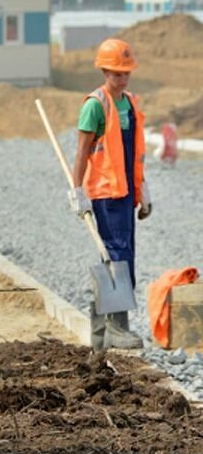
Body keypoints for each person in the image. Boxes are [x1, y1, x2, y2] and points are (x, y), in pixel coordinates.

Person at [69, 37, 151, 350]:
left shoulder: (129, 103)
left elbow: (132, 154)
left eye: (126, 72)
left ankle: (101, 330)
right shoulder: (95, 105)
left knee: (122, 255)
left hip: (125, 192)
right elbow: (82, 152)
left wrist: (142, 189)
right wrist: (77, 190)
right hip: (104, 193)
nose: (122, 77)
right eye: (116, 73)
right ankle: (117, 326)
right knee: (116, 255)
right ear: (104, 71)